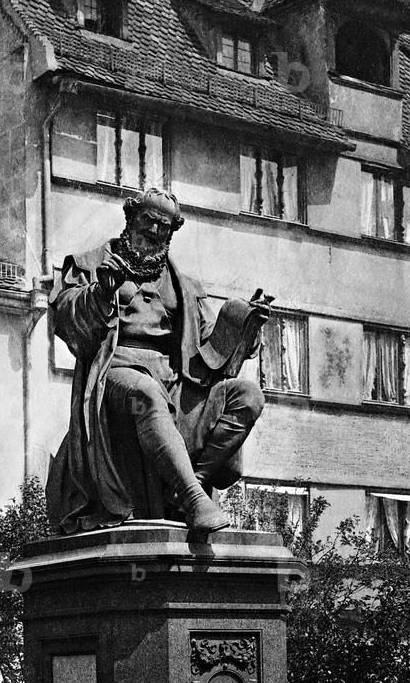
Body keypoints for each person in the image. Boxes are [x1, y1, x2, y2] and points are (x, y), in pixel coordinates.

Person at [47, 188, 271, 535]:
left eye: (163, 228)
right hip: (114, 375)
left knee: (247, 395)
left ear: (171, 233)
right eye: (148, 222)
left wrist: (246, 325)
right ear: (131, 219)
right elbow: (65, 317)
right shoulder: (91, 264)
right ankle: (195, 499)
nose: (154, 232)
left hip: (178, 383)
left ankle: (189, 483)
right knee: (146, 392)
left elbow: (211, 350)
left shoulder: (184, 286)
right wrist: (101, 292)